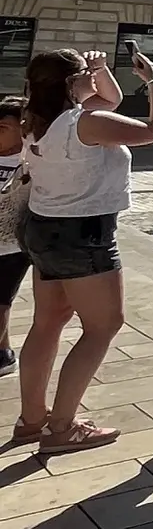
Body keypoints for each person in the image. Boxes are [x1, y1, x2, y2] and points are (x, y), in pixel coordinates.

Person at [15, 46, 153, 453]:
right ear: (71, 84)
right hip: (82, 234)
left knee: (47, 323)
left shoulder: (36, 119)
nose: (93, 78)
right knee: (103, 326)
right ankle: (62, 428)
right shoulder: (86, 123)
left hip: (43, 227)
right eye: (86, 73)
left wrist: (100, 70)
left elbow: (109, 100)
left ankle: (32, 419)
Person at [0, 97, 27, 380]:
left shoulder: (30, 160)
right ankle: (4, 353)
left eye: (3, 127)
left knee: (1, 302)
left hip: (11, 245)